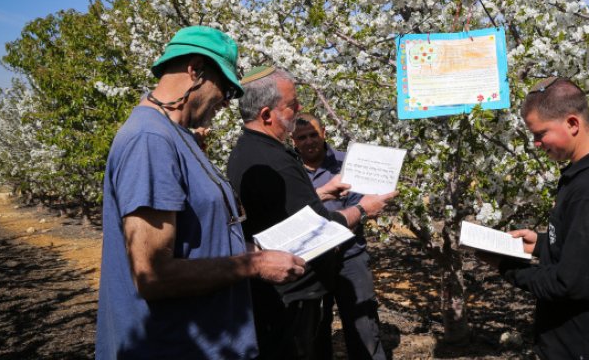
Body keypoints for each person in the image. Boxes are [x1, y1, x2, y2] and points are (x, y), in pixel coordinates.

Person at [95, 26, 306, 360]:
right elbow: (153, 274)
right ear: (194, 69)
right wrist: (254, 264)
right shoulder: (150, 141)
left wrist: (249, 247)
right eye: (224, 87)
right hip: (172, 346)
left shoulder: (174, 135)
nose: (226, 101)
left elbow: (195, 238)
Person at [226, 66, 397, 360]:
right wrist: (363, 209)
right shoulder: (275, 160)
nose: (299, 109)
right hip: (294, 293)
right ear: (267, 115)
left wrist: (321, 192)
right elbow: (318, 227)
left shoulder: (251, 150)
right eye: (292, 105)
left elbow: (285, 210)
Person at [478, 77, 589, 359]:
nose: (536, 143)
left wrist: (507, 266)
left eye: (541, 133)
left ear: (572, 123)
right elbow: (588, 246)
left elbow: (573, 284)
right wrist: (540, 244)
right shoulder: (584, 173)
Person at [292, 113, 387, 360]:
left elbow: (359, 207)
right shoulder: (291, 171)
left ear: (324, 132)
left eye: (313, 134)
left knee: (363, 326)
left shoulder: (347, 164)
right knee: (313, 330)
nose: (309, 141)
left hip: (349, 257)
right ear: (293, 140)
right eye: (302, 137)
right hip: (310, 261)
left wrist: (334, 236)